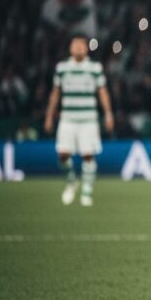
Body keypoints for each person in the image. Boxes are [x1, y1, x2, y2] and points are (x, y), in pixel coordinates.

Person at [44, 35, 114, 207]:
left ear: (86, 48)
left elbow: (102, 91)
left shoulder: (94, 68)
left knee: (88, 155)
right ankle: (71, 180)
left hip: (88, 118)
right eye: (75, 44)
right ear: (70, 48)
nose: (78, 48)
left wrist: (108, 113)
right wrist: (49, 116)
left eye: (81, 45)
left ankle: (87, 191)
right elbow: (56, 93)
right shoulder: (62, 68)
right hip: (67, 118)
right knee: (62, 154)